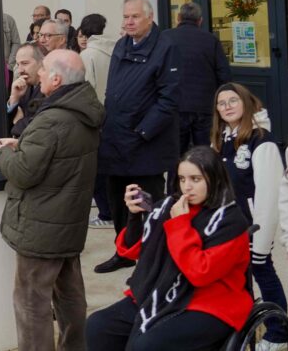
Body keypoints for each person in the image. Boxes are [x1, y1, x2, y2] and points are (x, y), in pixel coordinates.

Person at [85, 146, 251, 351]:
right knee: (97, 326)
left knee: (146, 346)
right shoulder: (168, 206)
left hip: (211, 301)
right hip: (161, 290)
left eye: (195, 179)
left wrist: (180, 224)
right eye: (182, 179)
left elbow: (200, 272)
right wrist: (134, 216)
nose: (187, 187)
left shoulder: (230, 220)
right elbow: (133, 250)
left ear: (215, 179)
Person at [0, 50, 100, 351]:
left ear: (56, 79)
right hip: (68, 223)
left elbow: (23, 172)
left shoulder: (51, 120)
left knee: (31, 301)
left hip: (42, 227)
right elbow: (59, 154)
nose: (38, 73)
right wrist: (22, 143)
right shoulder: (84, 110)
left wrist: (2, 154)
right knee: (70, 295)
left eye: (44, 69)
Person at [97, 0, 179, 274]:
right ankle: (124, 252)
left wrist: (143, 132)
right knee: (118, 202)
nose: (129, 22)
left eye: (135, 16)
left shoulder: (166, 48)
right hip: (116, 140)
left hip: (145, 145)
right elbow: (113, 90)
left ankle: (152, 260)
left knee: (147, 205)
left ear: (150, 17)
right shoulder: (122, 45)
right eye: (125, 17)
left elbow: (169, 99)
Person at [210, 83, 287, 345]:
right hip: (226, 227)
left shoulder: (261, 140)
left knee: (262, 271)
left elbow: (269, 195)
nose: (227, 106)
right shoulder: (219, 140)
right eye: (222, 103)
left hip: (251, 227)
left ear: (246, 102)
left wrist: (261, 241)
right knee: (234, 280)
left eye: (233, 100)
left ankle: (278, 334)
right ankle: (243, 331)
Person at [169, 2, 231, 153]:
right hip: (205, 105)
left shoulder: (165, 38)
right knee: (205, 152)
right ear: (200, 20)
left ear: (178, 18)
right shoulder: (211, 40)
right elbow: (224, 74)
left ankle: (179, 170)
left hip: (175, 104)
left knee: (176, 153)